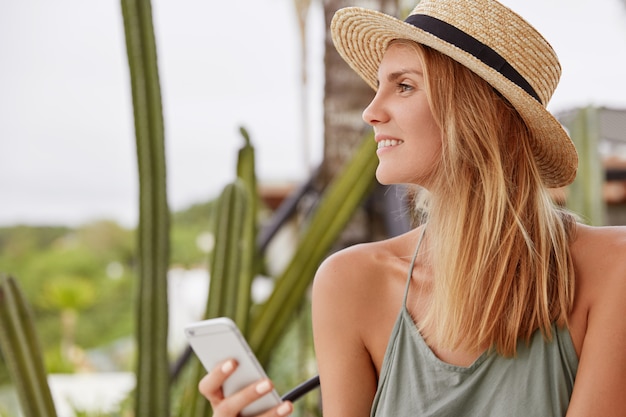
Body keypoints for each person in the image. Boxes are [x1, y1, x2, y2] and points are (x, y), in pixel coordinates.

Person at [199, 0, 626, 415]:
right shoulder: (350, 283)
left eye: (403, 86)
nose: (370, 111)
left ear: (480, 112)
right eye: (377, 87)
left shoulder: (613, 268)